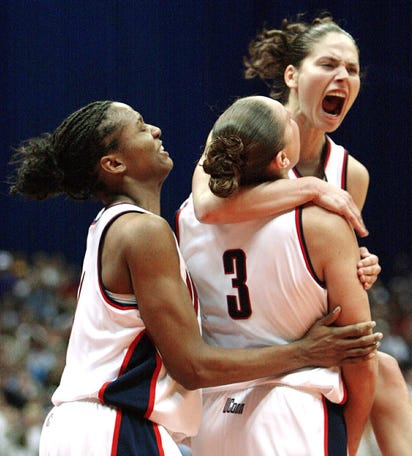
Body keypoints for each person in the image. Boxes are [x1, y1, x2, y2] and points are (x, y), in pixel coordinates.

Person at [8, 100, 382, 456]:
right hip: (113, 426)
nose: (155, 130)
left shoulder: (146, 225)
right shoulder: (144, 232)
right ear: (114, 163)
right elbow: (192, 366)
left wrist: (355, 259)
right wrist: (305, 351)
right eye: (140, 127)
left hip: (105, 426)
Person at [190, 14, 412, 455]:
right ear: (291, 75)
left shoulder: (351, 174)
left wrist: (361, 266)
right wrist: (313, 188)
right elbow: (208, 206)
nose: (343, 76)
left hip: (287, 334)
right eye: (328, 64)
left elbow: (331, 276)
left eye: (353, 70)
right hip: (245, 349)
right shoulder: (246, 129)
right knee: (373, 367)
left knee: (386, 369)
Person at [176, 95, 378, 455]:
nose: (292, 114)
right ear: (283, 159)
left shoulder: (185, 217)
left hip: (210, 421)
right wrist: (350, 442)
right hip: (292, 410)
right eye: (287, 117)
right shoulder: (322, 224)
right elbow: (359, 352)